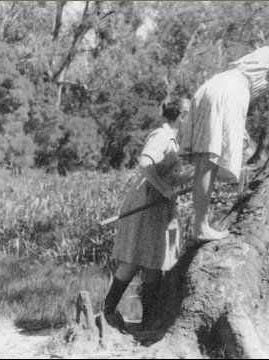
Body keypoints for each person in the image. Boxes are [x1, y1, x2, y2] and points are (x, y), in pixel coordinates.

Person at [179, 36, 269, 241]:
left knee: (207, 161)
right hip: (229, 92)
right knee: (208, 161)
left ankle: (200, 225)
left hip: (214, 88)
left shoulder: (258, 58)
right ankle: (201, 226)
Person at [103, 97, 195, 331]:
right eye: (190, 114)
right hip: (145, 203)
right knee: (134, 260)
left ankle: (148, 322)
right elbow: (145, 163)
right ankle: (107, 312)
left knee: (154, 264)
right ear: (181, 115)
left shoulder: (174, 142)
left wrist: (199, 171)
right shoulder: (161, 136)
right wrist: (164, 189)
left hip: (159, 207)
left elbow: (171, 177)